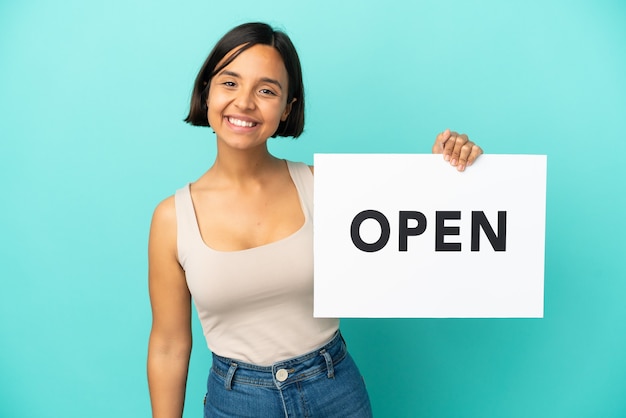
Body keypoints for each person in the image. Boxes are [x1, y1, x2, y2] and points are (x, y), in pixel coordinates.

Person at [147, 22, 482, 418]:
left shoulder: (325, 189)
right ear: (207, 92)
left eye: (267, 90)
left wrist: (451, 167)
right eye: (230, 82)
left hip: (335, 392)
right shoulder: (172, 218)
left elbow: (418, 222)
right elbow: (169, 346)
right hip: (236, 402)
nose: (245, 102)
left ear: (287, 107)